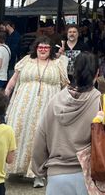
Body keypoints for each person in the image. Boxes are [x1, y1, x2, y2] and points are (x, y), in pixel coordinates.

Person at [32, 53, 105, 195]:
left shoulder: (54, 101)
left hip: (56, 179)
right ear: (97, 72)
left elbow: (40, 139)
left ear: (74, 71)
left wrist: (40, 170)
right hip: (92, 179)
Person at [4, 36, 69, 188]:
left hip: (47, 106)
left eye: (46, 48)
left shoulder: (58, 63)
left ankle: (38, 174)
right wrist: (6, 93)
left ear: (51, 49)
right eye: (40, 47)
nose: (43, 50)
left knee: (41, 138)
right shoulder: (26, 60)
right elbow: (14, 79)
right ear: (35, 48)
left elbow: (65, 85)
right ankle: (14, 167)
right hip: (23, 105)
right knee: (18, 133)